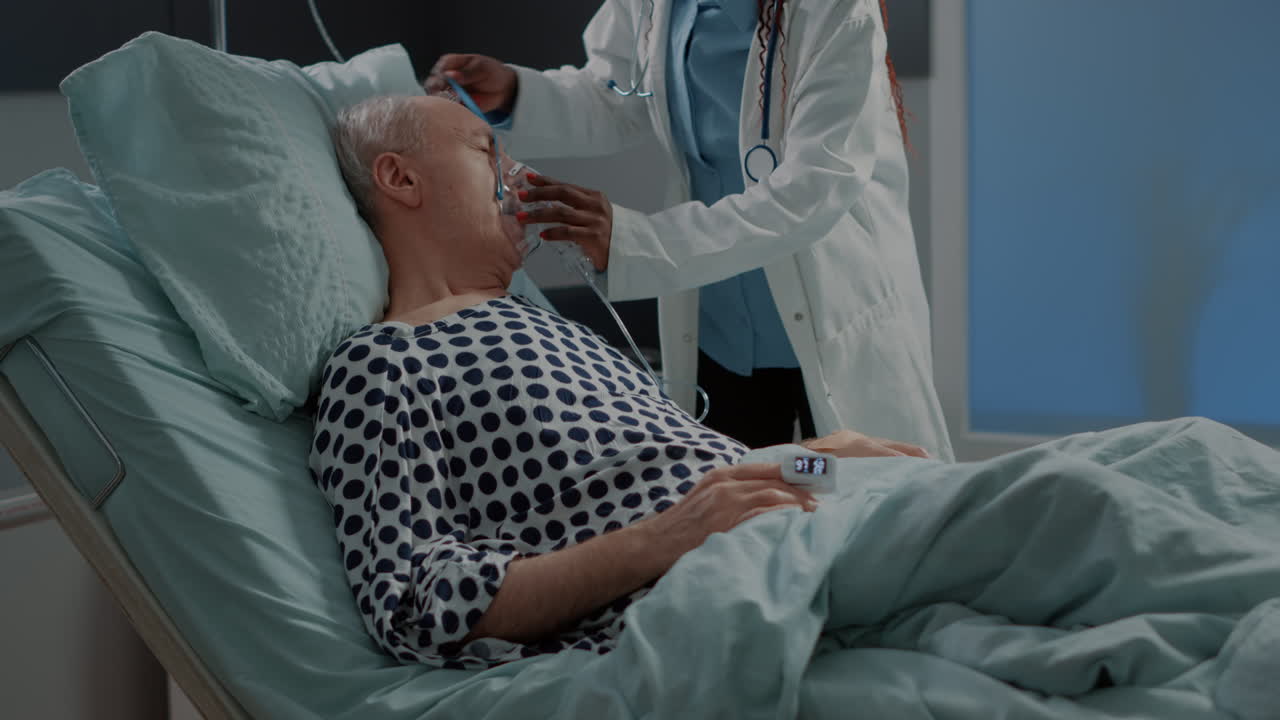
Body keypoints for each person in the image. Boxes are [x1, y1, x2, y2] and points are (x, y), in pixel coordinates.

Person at [313, 93, 929, 669]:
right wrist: (668, 537)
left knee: (934, 484)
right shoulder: (385, 362)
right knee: (1015, 523)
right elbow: (418, 604)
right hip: (718, 578)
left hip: (807, 508)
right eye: (486, 151)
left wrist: (818, 461)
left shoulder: (554, 331)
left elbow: (712, 477)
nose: (521, 174)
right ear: (400, 178)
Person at [424, 0, 954, 458]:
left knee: (855, 498)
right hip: (719, 319)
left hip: (832, 311)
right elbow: (616, 95)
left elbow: (813, 188)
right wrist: (518, 93)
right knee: (749, 502)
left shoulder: (832, 8)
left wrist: (637, 243)